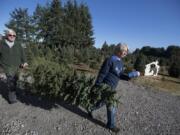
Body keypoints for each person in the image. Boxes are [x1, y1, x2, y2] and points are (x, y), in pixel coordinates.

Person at [88, 43, 140, 133]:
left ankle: (90, 108)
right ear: (118, 51)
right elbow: (102, 73)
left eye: (126, 51)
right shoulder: (110, 60)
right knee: (112, 104)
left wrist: (131, 75)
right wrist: (97, 85)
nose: (125, 53)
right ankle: (110, 125)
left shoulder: (120, 62)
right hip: (106, 86)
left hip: (112, 87)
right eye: (124, 51)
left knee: (102, 101)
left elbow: (120, 75)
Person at [0, 29, 28, 104]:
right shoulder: (1, 44)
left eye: (14, 35)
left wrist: (24, 62)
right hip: (7, 66)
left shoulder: (18, 44)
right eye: (10, 35)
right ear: (7, 35)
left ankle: (14, 92)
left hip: (17, 66)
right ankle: (12, 99)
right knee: (11, 82)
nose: (12, 36)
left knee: (15, 80)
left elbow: (23, 54)